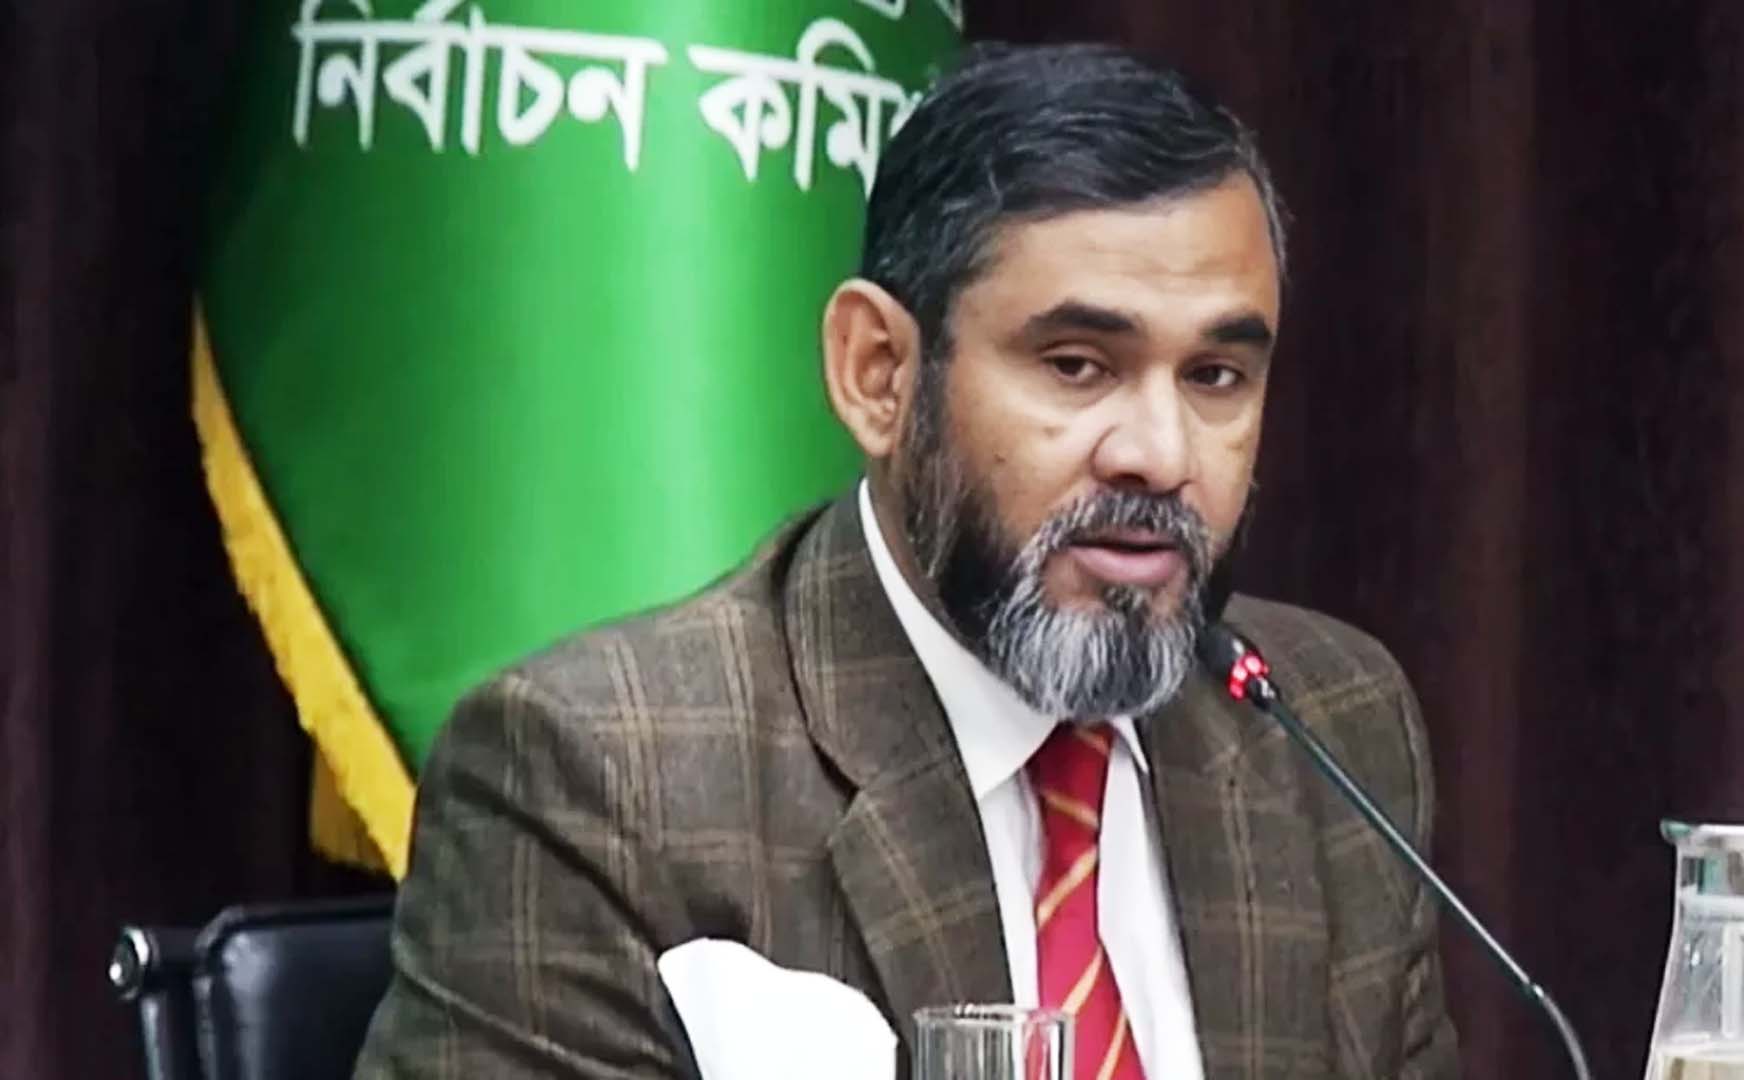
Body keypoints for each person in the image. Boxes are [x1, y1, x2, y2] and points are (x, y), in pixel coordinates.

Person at [355, 42, 1459, 1080]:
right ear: (879, 373)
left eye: (1215, 377)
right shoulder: (604, 778)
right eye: (1077, 366)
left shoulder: (1335, 728)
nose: (1161, 456)